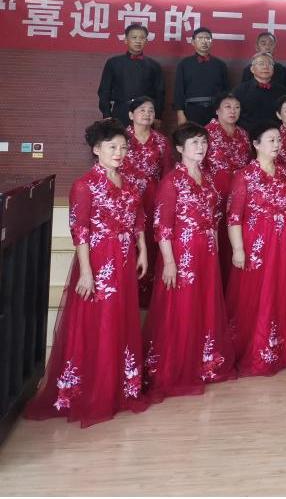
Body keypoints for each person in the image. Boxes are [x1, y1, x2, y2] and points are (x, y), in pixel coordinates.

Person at [24, 120, 150, 427]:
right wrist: (86, 272)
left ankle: (120, 385)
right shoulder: (84, 185)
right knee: (100, 320)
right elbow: (79, 231)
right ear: (96, 149)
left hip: (124, 259)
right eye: (112, 147)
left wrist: (143, 250)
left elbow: (138, 219)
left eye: (123, 147)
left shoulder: (129, 182)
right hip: (99, 258)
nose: (119, 152)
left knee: (121, 318)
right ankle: (94, 388)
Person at [142, 122, 236, 399]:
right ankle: (177, 364)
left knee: (204, 303)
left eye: (203, 142)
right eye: (194, 143)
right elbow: (163, 226)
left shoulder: (208, 178)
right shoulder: (172, 181)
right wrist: (169, 262)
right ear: (180, 148)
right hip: (181, 252)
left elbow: (214, 218)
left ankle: (204, 362)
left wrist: (214, 249)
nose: (201, 147)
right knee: (182, 305)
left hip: (206, 251)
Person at [226, 124, 286, 376]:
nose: (277, 144)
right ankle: (256, 348)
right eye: (271, 140)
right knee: (255, 292)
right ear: (256, 144)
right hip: (255, 241)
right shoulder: (245, 175)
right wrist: (238, 249)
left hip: (283, 240)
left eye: (278, 140)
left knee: (282, 289)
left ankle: (280, 346)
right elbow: (234, 217)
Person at [121, 97, 173, 308]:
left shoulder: (161, 141)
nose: (147, 114)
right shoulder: (120, 138)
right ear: (131, 115)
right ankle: (126, 290)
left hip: (152, 197)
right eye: (141, 110)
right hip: (124, 199)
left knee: (151, 240)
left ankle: (148, 294)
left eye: (151, 110)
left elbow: (167, 173)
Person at [203, 93, 249, 288]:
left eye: (236, 107)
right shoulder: (206, 133)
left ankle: (235, 284)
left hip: (240, 194)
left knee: (237, 236)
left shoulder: (243, 134)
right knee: (218, 236)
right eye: (228, 107)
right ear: (217, 110)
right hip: (215, 194)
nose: (233, 111)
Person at [97, 24, 164, 125]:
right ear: (126, 40)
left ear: (146, 41)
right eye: (134, 37)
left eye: (142, 38)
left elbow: (160, 93)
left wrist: (158, 116)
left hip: (145, 114)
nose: (138, 41)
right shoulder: (113, 63)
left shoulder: (154, 66)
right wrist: (106, 115)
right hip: (120, 111)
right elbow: (104, 91)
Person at [173, 27, 229, 126]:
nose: (204, 41)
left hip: (215, 111)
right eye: (200, 38)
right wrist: (180, 113)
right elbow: (179, 90)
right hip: (191, 110)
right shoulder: (184, 64)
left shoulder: (220, 65)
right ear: (193, 42)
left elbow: (226, 91)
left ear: (212, 42)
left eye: (207, 38)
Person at [233, 53, 286, 136]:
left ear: (273, 69)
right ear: (252, 69)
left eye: (269, 64)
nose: (265, 67)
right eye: (261, 63)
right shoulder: (239, 90)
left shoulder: (283, 92)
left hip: (276, 136)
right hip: (247, 136)